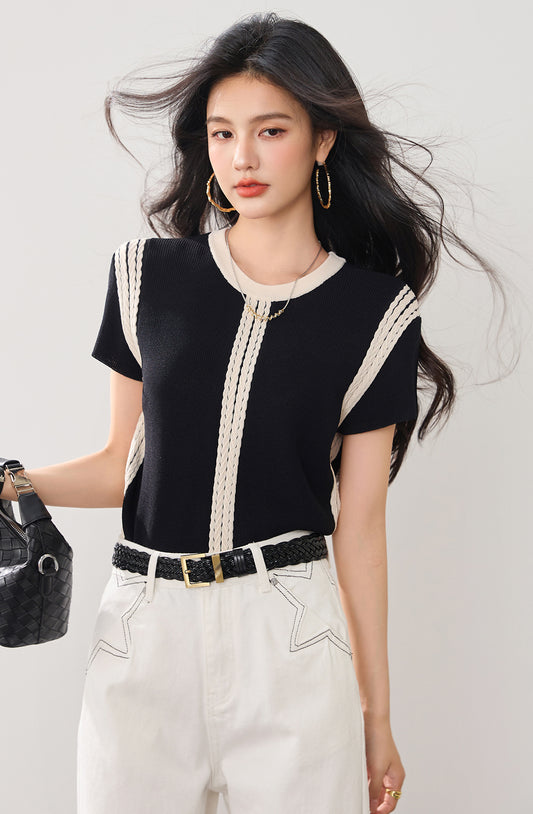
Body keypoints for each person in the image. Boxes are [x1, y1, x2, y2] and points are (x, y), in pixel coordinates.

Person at [0, 11, 509, 814]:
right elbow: (118, 466)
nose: (242, 157)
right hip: (141, 632)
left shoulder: (375, 313)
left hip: (290, 636)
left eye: (270, 131)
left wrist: (376, 717)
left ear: (321, 140)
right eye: (222, 133)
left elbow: (361, 530)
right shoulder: (147, 277)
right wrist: (10, 482)